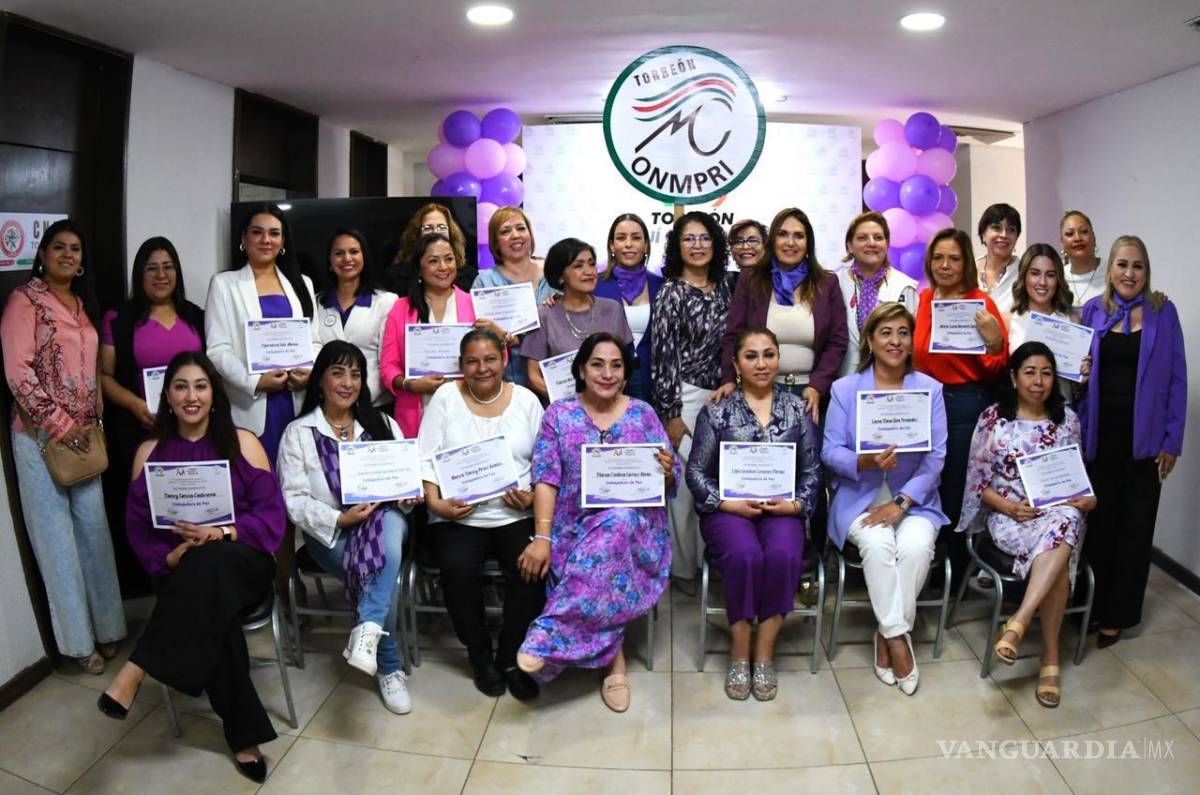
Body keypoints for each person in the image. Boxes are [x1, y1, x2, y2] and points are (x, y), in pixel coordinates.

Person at [98, 352, 285, 782]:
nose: (191, 396)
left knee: (211, 560)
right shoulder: (149, 451)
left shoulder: (244, 442)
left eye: (200, 386)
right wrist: (167, 557)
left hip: (244, 560)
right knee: (208, 598)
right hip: (182, 570)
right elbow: (138, 528)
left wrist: (221, 534)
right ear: (168, 396)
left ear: (215, 394)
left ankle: (138, 666)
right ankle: (245, 737)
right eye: (181, 386)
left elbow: (271, 514)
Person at [515, 332, 679, 712]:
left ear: (625, 374)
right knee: (603, 548)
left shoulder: (643, 413)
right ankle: (613, 660)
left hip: (637, 526)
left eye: (616, 365)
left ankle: (548, 637)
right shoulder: (560, 414)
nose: (607, 373)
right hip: (573, 525)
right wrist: (542, 537)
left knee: (618, 524)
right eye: (597, 364)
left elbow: (671, 481)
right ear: (581, 370)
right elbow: (546, 477)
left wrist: (669, 471)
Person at [1, 219, 126, 674]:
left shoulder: (81, 304)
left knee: (95, 535)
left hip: (84, 440)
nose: (68, 255)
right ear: (43, 254)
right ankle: (78, 643)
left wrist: (94, 423)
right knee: (57, 544)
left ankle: (108, 628)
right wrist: (58, 424)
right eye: (59, 247)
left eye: (75, 249)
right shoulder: (24, 301)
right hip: (39, 441)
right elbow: (18, 373)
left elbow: (91, 371)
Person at [277, 341, 415, 714]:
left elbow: (405, 482)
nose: (348, 382)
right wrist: (340, 518)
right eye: (338, 372)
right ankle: (387, 661)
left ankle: (371, 636)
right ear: (320, 380)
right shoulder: (299, 433)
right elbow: (293, 500)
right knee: (378, 567)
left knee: (386, 538)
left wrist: (409, 493)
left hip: (385, 524)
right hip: (333, 533)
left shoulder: (383, 424)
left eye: (356, 374)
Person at [686, 327, 821, 701]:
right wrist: (727, 502)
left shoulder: (797, 408)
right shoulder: (717, 409)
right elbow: (695, 472)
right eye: (751, 356)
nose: (761, 364)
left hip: (782, 509)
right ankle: (739, 650)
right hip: (729, 509)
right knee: (745, 556)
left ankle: (764, 652)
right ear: (736, 363)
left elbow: (811, 470)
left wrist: (795, 505)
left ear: (779, 359)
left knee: (781, 554)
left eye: (769, 354)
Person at [958, 342, 1094, 707]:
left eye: (1046, 373)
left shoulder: (1068, 420)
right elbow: (976, 483)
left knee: (1065, 521)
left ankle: (1019, 621)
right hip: (1010, 517)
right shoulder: (993, 419)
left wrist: (1089, 499)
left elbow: (1077, 478)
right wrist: (1009, 507)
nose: (1038, 382)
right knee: (1059, 548)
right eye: (1030, 372)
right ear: (1014, 377)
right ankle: (1050, 656)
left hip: (1058, 514)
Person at [824, 303, 948, 696]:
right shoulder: (845, 389)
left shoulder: (929, 388)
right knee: (878, 545)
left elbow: (936, 458)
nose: (895, 341)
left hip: (915, 498)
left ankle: (885, 632)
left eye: (903, 333)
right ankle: (898, 638)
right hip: (859, 497)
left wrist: (904, 502)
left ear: (912, 341)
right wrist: (863, 460)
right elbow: (830, 451)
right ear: (870, 340)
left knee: (915, 546)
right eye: (886, 333)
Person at [418, 329, 546, 699]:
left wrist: (532, 495)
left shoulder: (525, 400)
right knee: (458, 571)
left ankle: (510, 656)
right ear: (461, 366)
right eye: (472, 361)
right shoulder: (445, 397)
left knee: (531, 568)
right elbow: (425, 456)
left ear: (505, 360)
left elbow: (546, 461)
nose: (482, 368)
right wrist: (435, 503)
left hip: (514, 512)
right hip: (458, 516)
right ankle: (480, 656)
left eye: (490, 359)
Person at [1078, 235, 1186, 648]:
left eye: (1137, 265)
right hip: (1099, 439)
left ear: (1147, 271)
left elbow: (1177, 379)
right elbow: (1074, 372)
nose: (1129, 273)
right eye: (1122, 264)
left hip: (1145, 442)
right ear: (1110, 270)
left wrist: (1172, 440)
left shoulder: (1163, 312)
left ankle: (1117, 616)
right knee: (1099, 526)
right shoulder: (1092, 312)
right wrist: (1081, 372)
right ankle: (1090, 607)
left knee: (1135, 530)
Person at [99, 236, 205, 596]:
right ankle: (152, 584)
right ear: (139, 274)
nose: (161, 275)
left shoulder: (196, 316)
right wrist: (134, 404)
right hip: (141, 429)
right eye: (152, 268)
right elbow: (105, 376)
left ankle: (194, 578)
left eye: (168, 266)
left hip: (192, 431)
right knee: (148, 511)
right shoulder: (120, 319)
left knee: (191, 502)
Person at [913, 228, 1008, 584]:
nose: (945, 265)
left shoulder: (981, 303)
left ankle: (952, 574)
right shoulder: (923, 300)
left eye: (954, 258)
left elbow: (996, 367)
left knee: (954, 488)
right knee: (926, 482)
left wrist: (993, 340)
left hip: (965, 405)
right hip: (925, 401)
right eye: (938, 258)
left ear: (966, 262)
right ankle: (926, 562)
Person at [650, 211, 734, 585]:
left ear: (715, 244)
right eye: (688, 239)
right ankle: (684, 571)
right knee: (685, 489)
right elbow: (662, 355)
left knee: (719, 483)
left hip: (726, 398)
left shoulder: (729, 288)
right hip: (683, 397)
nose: (697, 245)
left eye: (704, 238)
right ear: (677, 246)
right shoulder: (671, 291)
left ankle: (715, 568)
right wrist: (670, 413)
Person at [205, 203, 321, 464]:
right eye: (257, 232)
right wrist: (255, 381)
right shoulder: (224, 285)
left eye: (274, 233)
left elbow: (313, 340)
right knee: (256, 482)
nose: (266, 240)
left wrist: (308, 373)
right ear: (244, 239)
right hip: (251, 402)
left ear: (283, 241)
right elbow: (217, 349)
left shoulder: (303, 283)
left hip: (295, 397)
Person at [717, 207, 849, 427]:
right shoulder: (751, 280)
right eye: (783, 234)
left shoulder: (827, 283)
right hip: (758, 392)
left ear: (808, 243)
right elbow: (733, 336)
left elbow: (837, 342)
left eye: (798, 235)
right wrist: (729, 379)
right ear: (772, 241)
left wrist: (817, 386)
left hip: (810, 394)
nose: (790, 242)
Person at [379, 233, 506, 437]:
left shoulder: (475, 304)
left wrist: (500, 336)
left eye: (449, 258)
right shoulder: (400, 308)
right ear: (419, 268)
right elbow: (388, 366)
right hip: (416, 412)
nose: (444, 267)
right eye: (433, 261)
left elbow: (500, 357)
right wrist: (408, 385)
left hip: (469, 408)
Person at [523, 238, 633, 399]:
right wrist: (570, 404)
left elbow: (626, 365)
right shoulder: (545, 315)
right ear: (561, 276)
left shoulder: (612, 309)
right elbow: (533, 376)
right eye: (578, 266)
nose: (589, 271)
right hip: (565, 413)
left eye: (591, 263)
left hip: (609, 406)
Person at [472, 206, 558, 386]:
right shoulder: (485, 282)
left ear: (530, 234)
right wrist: (501, 336)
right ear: (495, 243)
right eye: (505, 231)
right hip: (507, 384)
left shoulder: (554, 275)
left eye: (521, 228)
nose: (515, 235)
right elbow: (476, 340)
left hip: (556, 380)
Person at [316, 229, 398, 408]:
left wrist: (356, 398)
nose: (346, 258)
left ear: (364, 257)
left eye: (354, 252)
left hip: (374, 403)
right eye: (339, 253)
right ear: (330, 260)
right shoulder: (317, 303)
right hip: (327, 406)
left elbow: (386, 361)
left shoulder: (386, 302)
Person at [835, 211, 918, 376]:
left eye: (878, 238)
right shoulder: (834, 284)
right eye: (862, 238)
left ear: (887, 244)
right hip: (844, 380)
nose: (871, 243)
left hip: (893, 380)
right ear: (849, 245)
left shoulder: (905, 286)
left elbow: (912, 341)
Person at [595, 213, 663, 402]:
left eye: (636, 238)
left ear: (646, 245)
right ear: (611, 245)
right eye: (621, 238)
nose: (628, 244)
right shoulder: (594, 285)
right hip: (607, 379)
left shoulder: (662, 285)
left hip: (652, 380)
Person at [389, 202, 475, 292]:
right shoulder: (396, 277)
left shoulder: (469, 276)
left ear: (451, 233)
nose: (435, 232)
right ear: (417, 234)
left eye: (441, 227)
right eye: (427, 228)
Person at [975, 203, 1023, 313]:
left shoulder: (1024, 273)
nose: (1004, 235)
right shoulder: (969, 269)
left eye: (1011, 229)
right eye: (997, 228)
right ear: (983, 233)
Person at [1059, 210, 1105, 310]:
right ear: (1062, 242)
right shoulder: (1058, 278)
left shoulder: (1112, 273)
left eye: (1084, 232)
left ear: (1094, 237)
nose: (1077, 238)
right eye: (1070, 234)